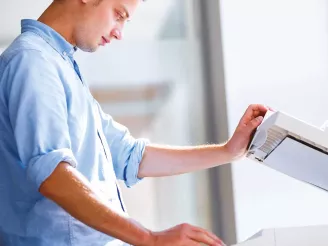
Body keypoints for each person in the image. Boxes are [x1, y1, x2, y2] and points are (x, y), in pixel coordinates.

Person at [0, 0, 269, 245]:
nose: (119, 33)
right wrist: (149, 239)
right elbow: (53, 175)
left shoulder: (61, 68)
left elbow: (132, 156)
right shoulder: (33, 61)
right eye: (118, 15)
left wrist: (228, 151)